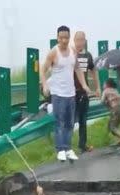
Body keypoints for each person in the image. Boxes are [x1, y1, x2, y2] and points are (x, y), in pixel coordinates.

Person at [40, 25, 91, 163]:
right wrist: (45, 85)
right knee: (59, 122)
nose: (64, 40)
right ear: (57, 38)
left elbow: (78, 69)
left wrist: (85, 85)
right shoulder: (53, 53)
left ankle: (68, 148)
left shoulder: (73, 51)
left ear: (69, 38)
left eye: (66, 37)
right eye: (61, 37)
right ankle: (60, 149)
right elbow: (42, 70)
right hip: (57, 93)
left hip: (70, 93)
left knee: (70, 123)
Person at [73, 31, 101, 153]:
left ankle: (82, 145)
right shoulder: (70, 54)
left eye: (81, 40)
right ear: (74, 41)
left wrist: (98, 87)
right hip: (70, 93)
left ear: (85, 41)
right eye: (77, 40)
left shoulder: (88, 56)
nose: (79, 42)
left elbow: (94, 71)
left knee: (83, 120)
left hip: (83, 92)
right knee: (69, 121)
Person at [101, 79, 120, 148]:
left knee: (112, 128)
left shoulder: (106, 91)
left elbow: (102, 101)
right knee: (114, 127)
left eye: (104, 84)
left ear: (107, 85)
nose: (103, 85)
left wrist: (106, 103)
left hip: (115, 110)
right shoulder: (115, 90)